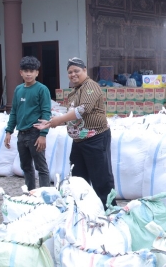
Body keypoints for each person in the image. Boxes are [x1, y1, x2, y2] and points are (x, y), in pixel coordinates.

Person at [35, 58, 115, 208]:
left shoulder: (91, 86)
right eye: (70, 72)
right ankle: (84, 210)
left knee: (101, 179)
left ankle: (110, 211)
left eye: (76, 71)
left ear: (85, 70)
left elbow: (83, 109)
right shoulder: (74, 92)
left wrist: (59, 120)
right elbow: (73, 117)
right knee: (78, 178)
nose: (73, 74)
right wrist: (52, 122)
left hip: (95, 138)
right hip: (79, 141)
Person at [4, 56, 51, 191]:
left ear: (37, 72)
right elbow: (14, 112)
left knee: (41, 167)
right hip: (21, 134)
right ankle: (30, 194)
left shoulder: (42, 89)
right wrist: (9, 131)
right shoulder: (18, 89)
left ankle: (44, 196)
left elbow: (46, 112)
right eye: (26, 71)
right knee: (26, 167)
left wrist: (43, 134)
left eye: (32, 71)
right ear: (21, 73)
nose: (29, 74)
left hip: (35, 133)